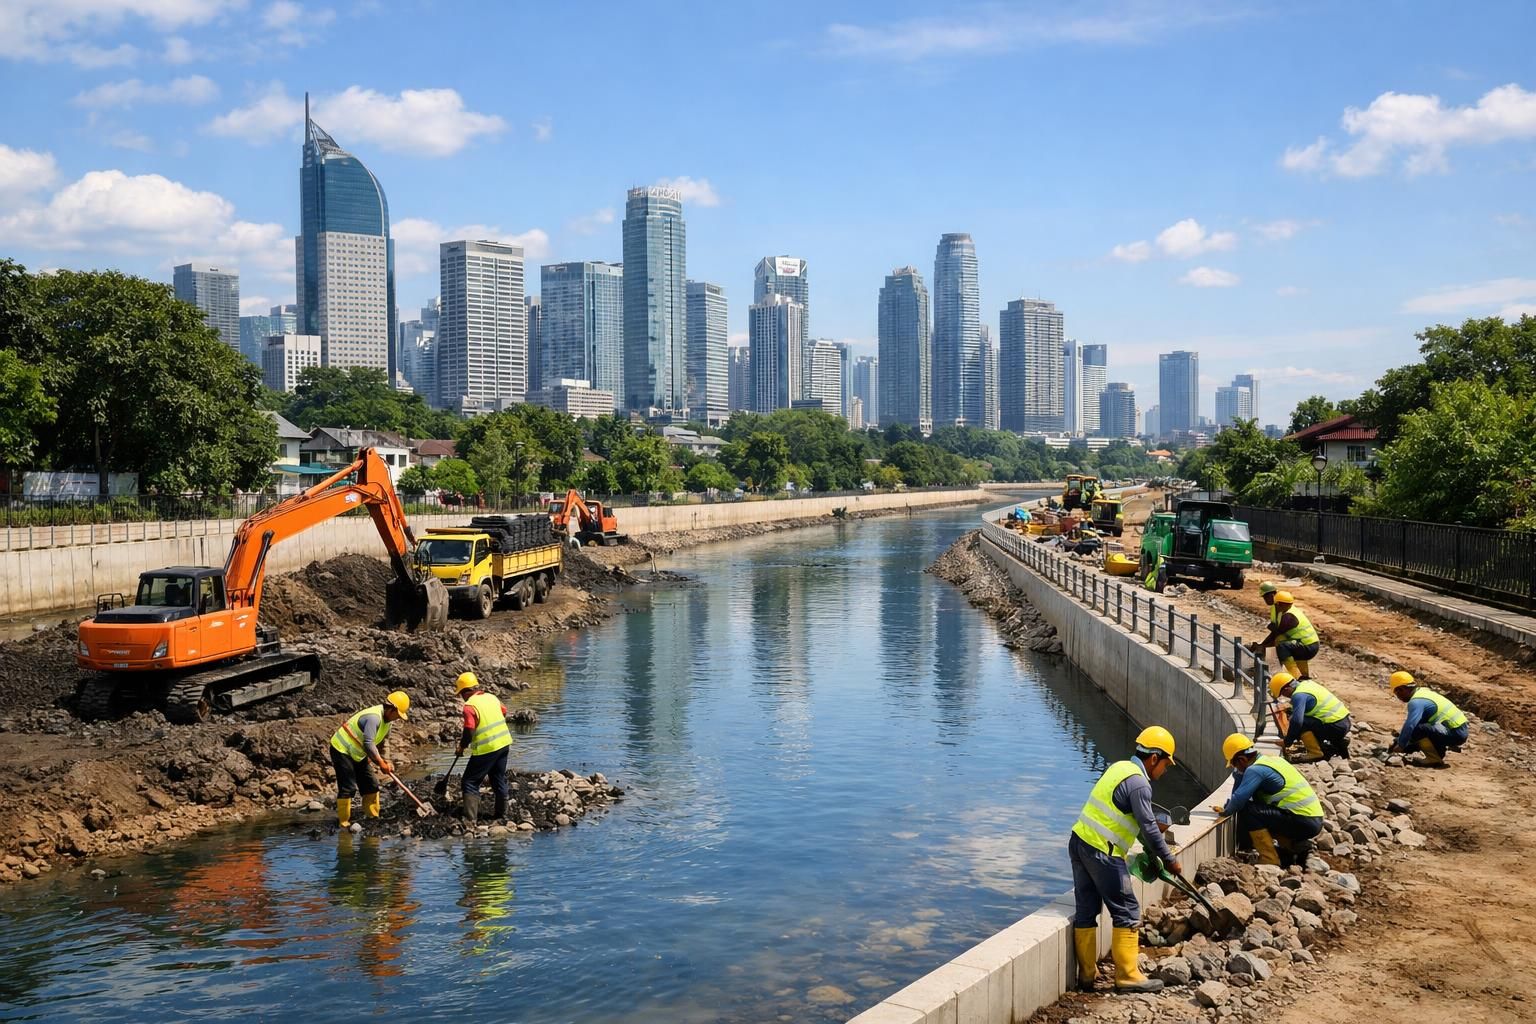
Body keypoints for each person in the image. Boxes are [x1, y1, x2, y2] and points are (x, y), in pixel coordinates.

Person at [1069, 726, 1181, 995]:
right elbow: (1150, 827)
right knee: (1128, 910)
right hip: (1103, 853)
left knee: (1086, 910)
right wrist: (1168, 859)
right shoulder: (1140, 783)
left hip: (1079, 842)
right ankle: (1128, 976)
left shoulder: (1119, 768)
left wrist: (1150, 851)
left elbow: (1127, 819)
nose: (1164, 771)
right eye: (1165, 764)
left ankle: (1086, 975)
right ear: (1154, 758)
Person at [1212, 734, 1324, 868]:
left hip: (1302, 821)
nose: (1235, 769)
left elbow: (1239, 799)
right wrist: (1239, 776)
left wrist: (1225, 812)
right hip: (1313, 819)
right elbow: (1242, 795)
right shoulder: (1273, 760)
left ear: (1242, 759)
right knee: (1259, 806)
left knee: (1248, 810)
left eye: (1235, 765)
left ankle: (1269, 859)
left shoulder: (1255, 770)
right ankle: (1292, 847)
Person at [329, 691, 410, 829]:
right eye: (397, 715)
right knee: (348, 787)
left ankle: (373, 817)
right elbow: (369, 743)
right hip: (341, 749)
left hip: (359, 752)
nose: (397, 718)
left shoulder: (388, 722)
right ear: (391, 709)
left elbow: (384, 743)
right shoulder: (374, 718)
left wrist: (386, 760)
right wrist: (380, 762)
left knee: (371, 785)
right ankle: (344, 823)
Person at [454, 671, 513, 823]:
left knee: (470, 782)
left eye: (461, 693)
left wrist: (461, 747)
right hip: (504, 743)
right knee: (498, 778)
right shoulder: (491, 697)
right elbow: (504, 711)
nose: (462, 697)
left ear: (466, 691)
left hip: (486, 749)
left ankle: (470, 820)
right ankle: (501, 815)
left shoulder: (469, 706)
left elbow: (469, 730)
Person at [1387, 671, 1468, 768]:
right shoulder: (1423, 692)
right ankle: (1437, 756)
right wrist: (1401, 739)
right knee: (1421, 728)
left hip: (1454, 733)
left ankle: (1433, 758)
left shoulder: (1416, 702)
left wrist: (1400, 745)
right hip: (1458, 729)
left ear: (1401, 689)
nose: (1398, 697)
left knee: (1418, 729)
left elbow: (1410, 725)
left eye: (1397, 693)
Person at [1270, 671, 1352, 762]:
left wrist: (1287, 742)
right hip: (1344, 722)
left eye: (1283, 694)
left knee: (1297, 722)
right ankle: (1335, 743)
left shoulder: (1298, 695)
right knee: (1300, 719)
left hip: (1335, 727)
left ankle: (1315, 753)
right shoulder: (1306, 684)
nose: (1286, 697)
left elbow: (1297, 722)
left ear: (1286, 689)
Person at [1255, 590, 1319, 679]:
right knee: (1292, 649)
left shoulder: (1289, 617)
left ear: (1280, 604)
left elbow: (1276, 635)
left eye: (1277, 604)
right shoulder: (1290, 611)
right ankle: (1304, 678)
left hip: (1308, 647)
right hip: (1309, 645)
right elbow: (1276, 633)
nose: (1276, 606)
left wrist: (1263, 646)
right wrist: (1263, 645)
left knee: (1282, 646)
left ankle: (1296, 676)